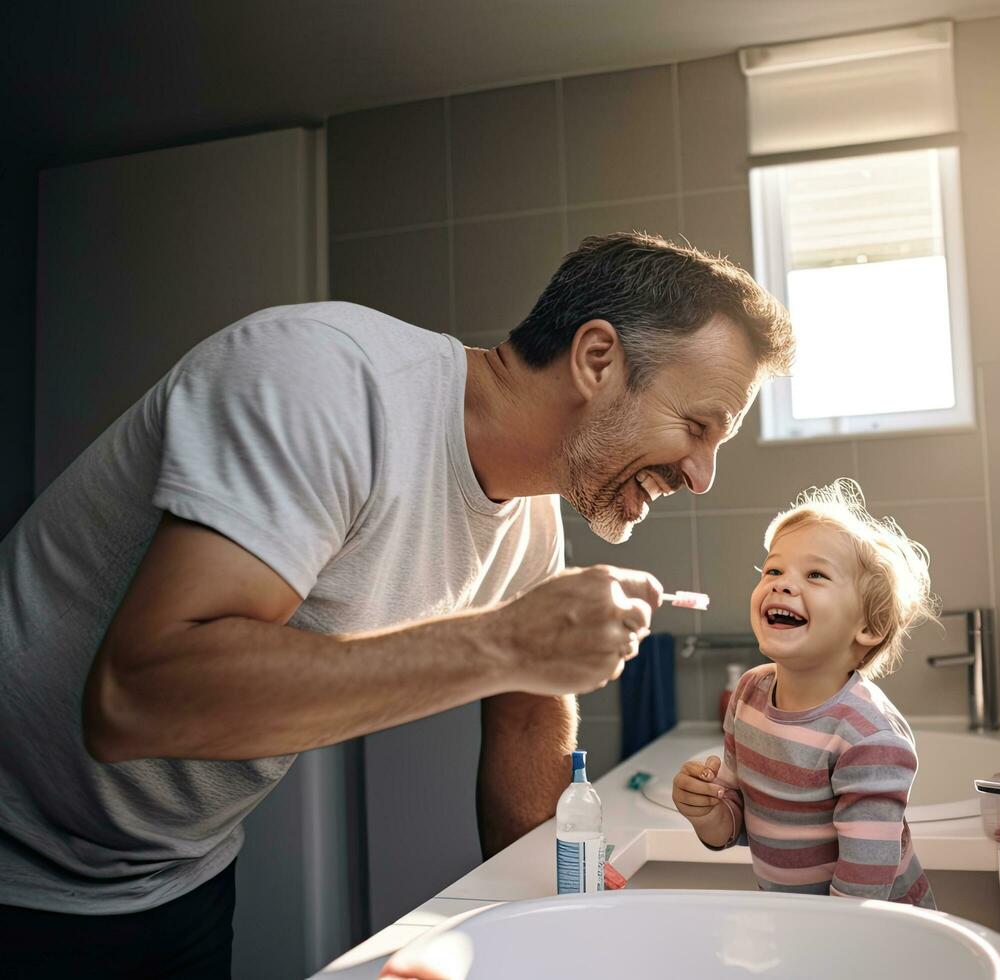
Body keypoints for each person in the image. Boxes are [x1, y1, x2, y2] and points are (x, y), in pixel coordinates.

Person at [0, 232, 794, 975]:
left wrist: (563, 929)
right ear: (596, 359)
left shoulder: (533, 526)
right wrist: (503, 643)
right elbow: (134, 701)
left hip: (177, 876)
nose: (702, 477)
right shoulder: (326, 378)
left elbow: (527, 727)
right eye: (696, 426)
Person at [671, 478, 941, 908]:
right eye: (773, 570)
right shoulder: (749, 694)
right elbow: (740, 825)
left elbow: (861, 893)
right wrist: (707, 813)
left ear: (867, 628)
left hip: (879, 938)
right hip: (803, 923)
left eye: (815, 574)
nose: (781, 583)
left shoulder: (869, 738)